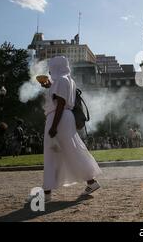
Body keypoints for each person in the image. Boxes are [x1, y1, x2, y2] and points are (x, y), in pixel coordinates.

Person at [28, 56, 102, 203]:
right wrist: (49, 86)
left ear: (56, 67)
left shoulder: (61, 80)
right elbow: (60, 98)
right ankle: (91, 182)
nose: (49, 70)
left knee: (51, 153)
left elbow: (61, 103)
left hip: (58, 118)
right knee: (72, 150)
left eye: (51, 67)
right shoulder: (67, 80)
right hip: (64, 118)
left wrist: (54, 126)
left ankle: (47, 193)